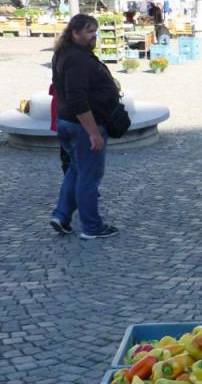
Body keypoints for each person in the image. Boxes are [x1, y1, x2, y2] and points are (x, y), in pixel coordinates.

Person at [49, 14, 120, 239]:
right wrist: (93, 133)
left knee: (76, 170)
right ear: (75, 33)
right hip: (82, 127)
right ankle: (92, 227)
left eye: (95, 30)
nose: (94, 35)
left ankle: (61, 215)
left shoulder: (66, 53)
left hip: (68, 123)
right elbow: (77, 98)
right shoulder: (76, 58)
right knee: (88, 177)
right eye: (89, 31)